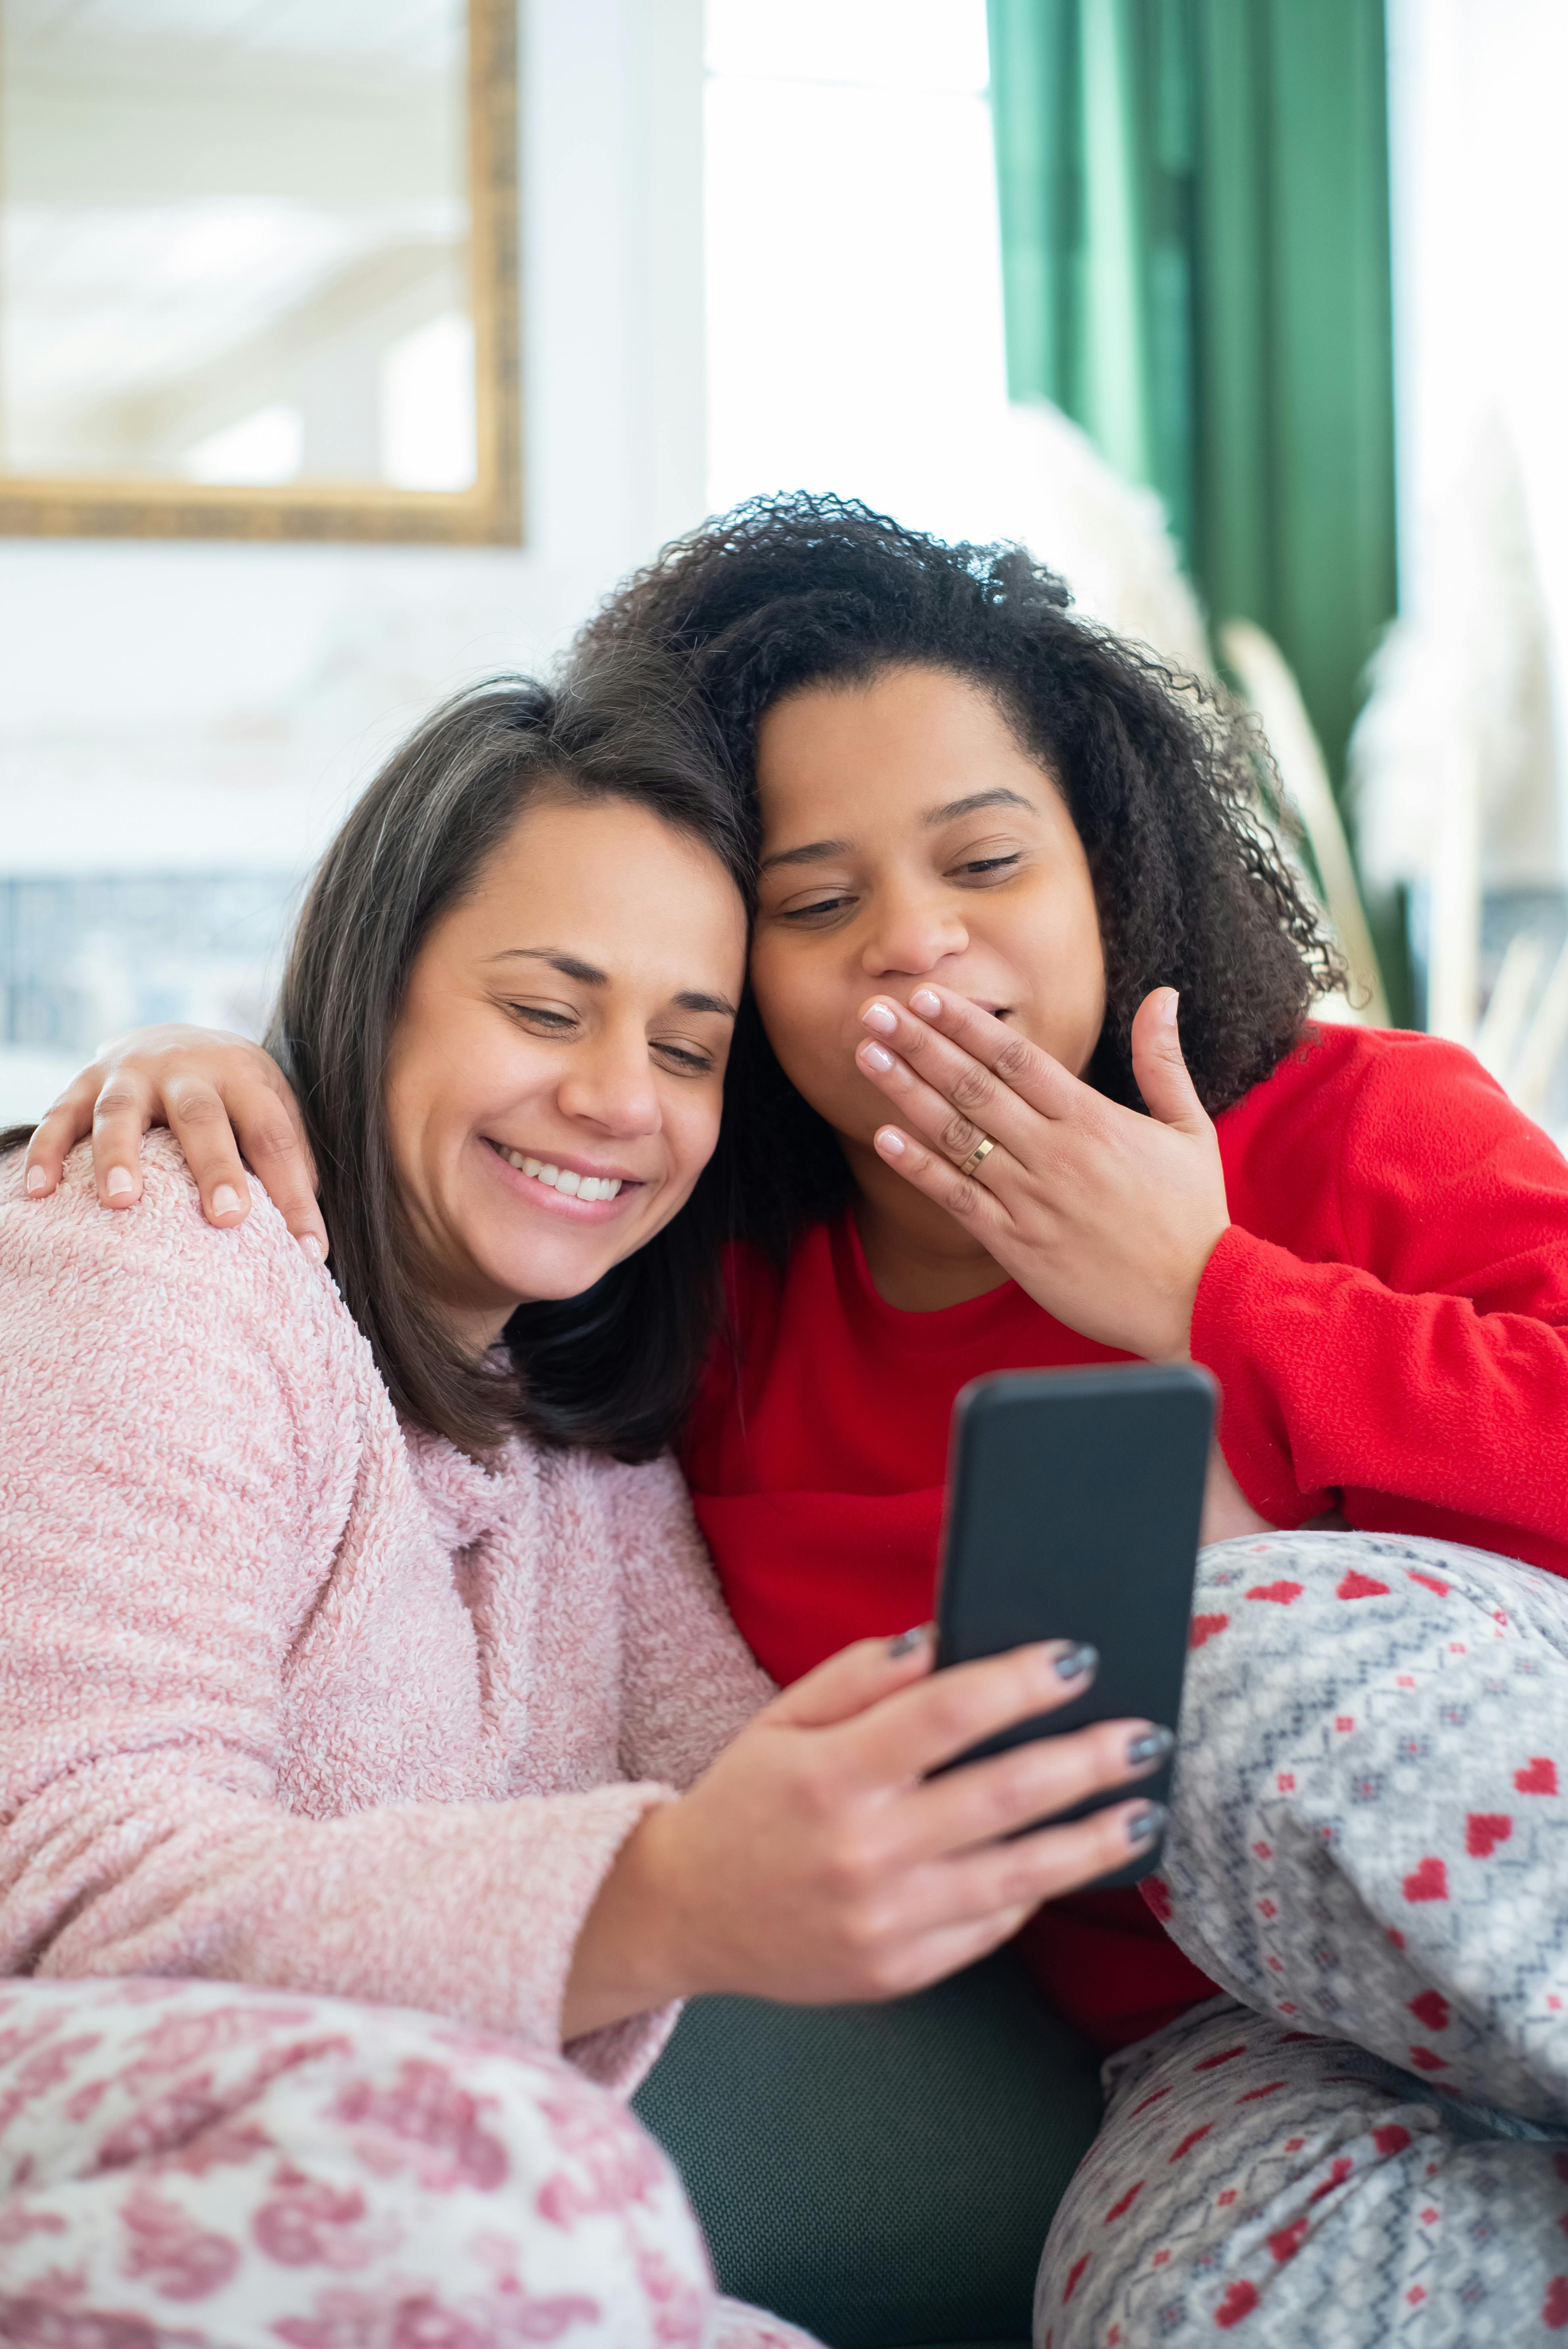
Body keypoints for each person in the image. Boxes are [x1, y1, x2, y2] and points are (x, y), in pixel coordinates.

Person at [31, 497, 1568, 2345]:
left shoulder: (1344, 1123)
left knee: (1212, 1654)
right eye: (816, 904)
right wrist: (243, 1070)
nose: (911, 948)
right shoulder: (693, 1321)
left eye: (986, 862)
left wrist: (1216, 1293)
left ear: (1110, 866)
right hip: (1213, 2047)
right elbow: (748, 1761)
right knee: (1200, 2301)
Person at [0, 654, 1170, 2348]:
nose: (621, 1098)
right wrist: (667, 1892)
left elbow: (736, 1753)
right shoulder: (152, 1262)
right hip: (182, 2146)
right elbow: (63, 1891)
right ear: (372, 983)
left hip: (400, 2225)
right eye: (546, 1010)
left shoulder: (579, 1445)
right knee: (536, 2185)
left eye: (687, 1048)